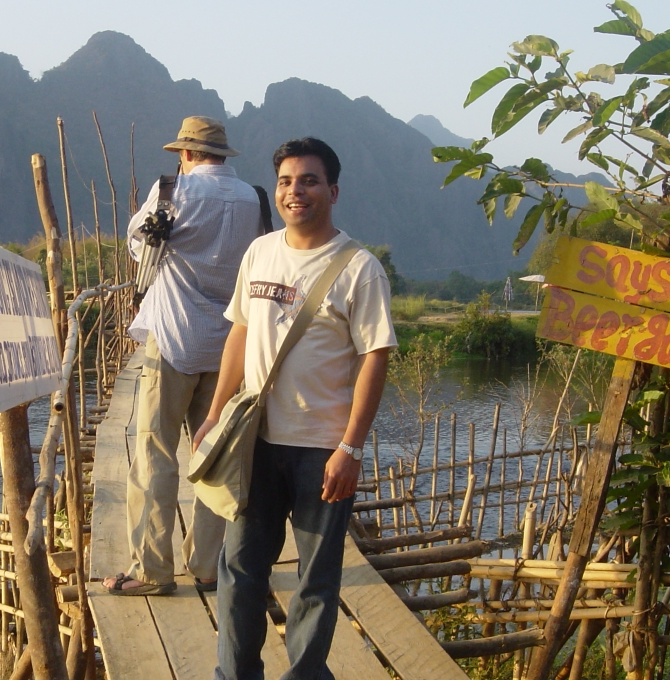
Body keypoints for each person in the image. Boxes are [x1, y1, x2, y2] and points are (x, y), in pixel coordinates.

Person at [194, 138, 396, 679]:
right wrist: (215, 414)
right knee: (239, 568)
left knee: (315, 580)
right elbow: (239, 332)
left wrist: (351, 447)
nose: (294, 190)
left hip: (321, 450)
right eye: (285, 181)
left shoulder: (359, 268)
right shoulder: (261, 252)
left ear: (332, 191)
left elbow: (375, 359)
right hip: (254, 442)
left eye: (307, 180)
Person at [103, 116, 265, 596]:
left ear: (188, 153)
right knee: (215, 452)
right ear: (222, 154)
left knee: (154, 454)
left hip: (172, 340)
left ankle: (152, 571)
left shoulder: (172, 190)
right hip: (229, 345)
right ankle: (208, 566)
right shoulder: (254, 198)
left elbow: (139, 246)